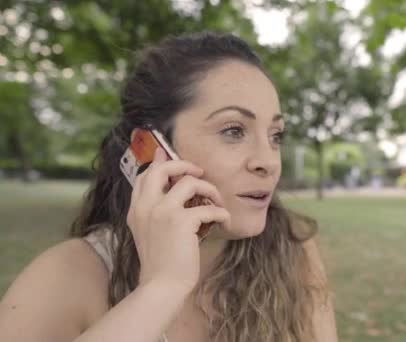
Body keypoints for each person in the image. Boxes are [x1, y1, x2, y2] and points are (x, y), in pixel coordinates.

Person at [0, 32, 338, 342]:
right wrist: (162, 288)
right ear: (150, 149)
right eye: (234, 130)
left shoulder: (292, 250)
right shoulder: (67, 277)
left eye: (275, 135)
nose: (268, 161)